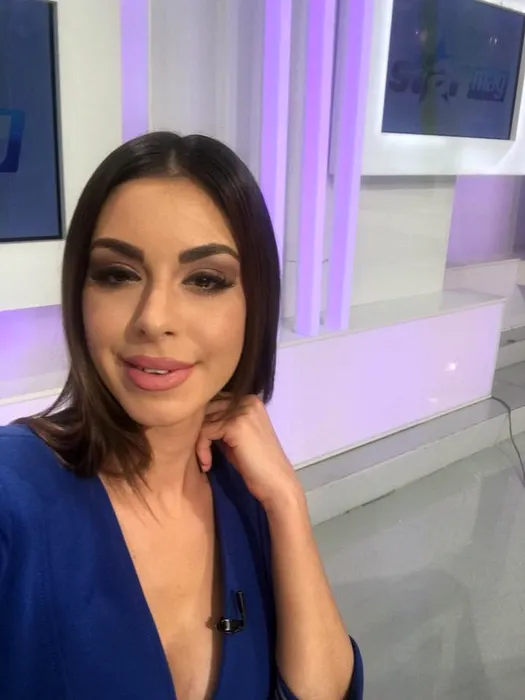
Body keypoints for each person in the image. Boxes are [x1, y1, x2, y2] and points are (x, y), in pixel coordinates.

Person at [0, 132, 363, 699]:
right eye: (117, 274)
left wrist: (288, 504)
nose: (154, 318)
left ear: (255, 304)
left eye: (205, 280)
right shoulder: (13, 495)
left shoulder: (244, 494)